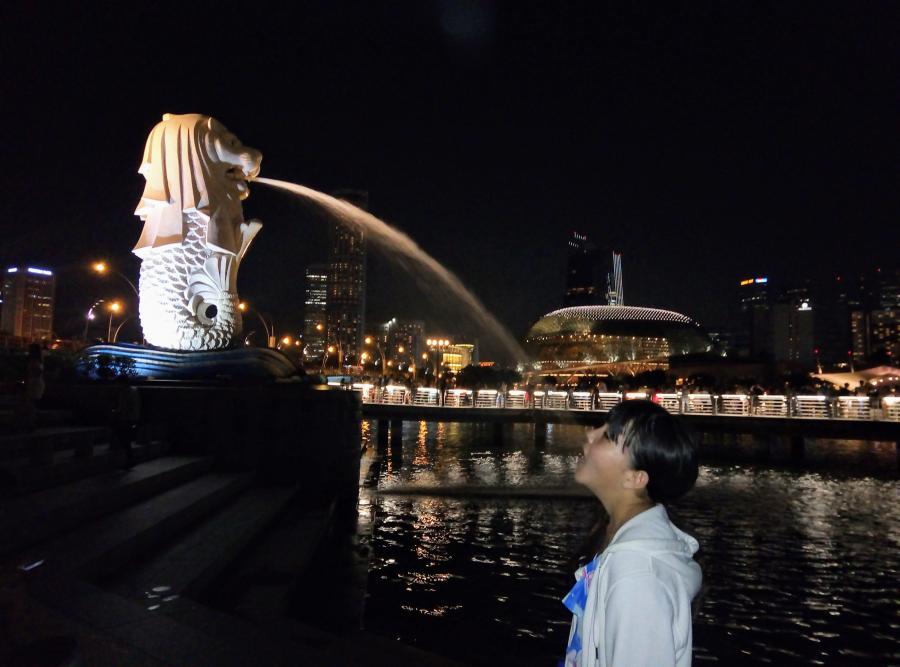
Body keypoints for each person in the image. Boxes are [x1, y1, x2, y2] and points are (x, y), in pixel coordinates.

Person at [562, 400, 701, 667]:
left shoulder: (637, 578)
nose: (590, 434)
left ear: (635, 478)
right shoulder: (617, 541)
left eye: (607, 436)